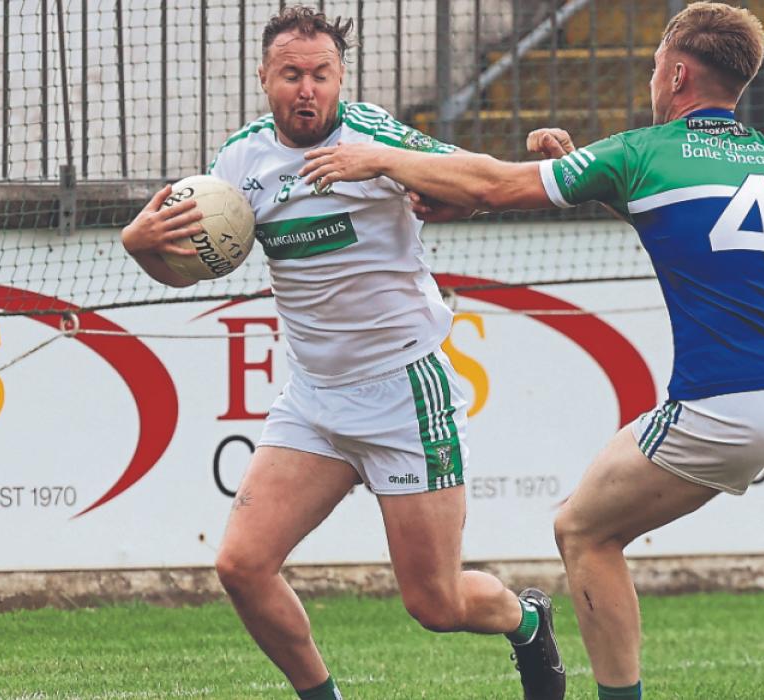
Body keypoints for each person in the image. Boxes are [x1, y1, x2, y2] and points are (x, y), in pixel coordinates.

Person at [298, 3, 764, 699]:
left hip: (726, 403)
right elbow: (685, 224)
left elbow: (492, 186)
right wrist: (581, 173)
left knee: (582, 531)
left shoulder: (641, 151)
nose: (654, 77)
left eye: (657, 64)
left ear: (678, 72)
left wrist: (375, 156)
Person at [119, 6, 565, 700]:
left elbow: (475, 181)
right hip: (315, 399)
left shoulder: (372, 137)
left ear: (341, 78)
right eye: (291, 74)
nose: (307, 89)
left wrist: (393, 162)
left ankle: (525, 618)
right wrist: (141, 246)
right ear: (264, 77)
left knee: (436, 605)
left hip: (403, 394)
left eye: (320, 75)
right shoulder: (239, 164)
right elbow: (192, 264)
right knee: (242, 565)